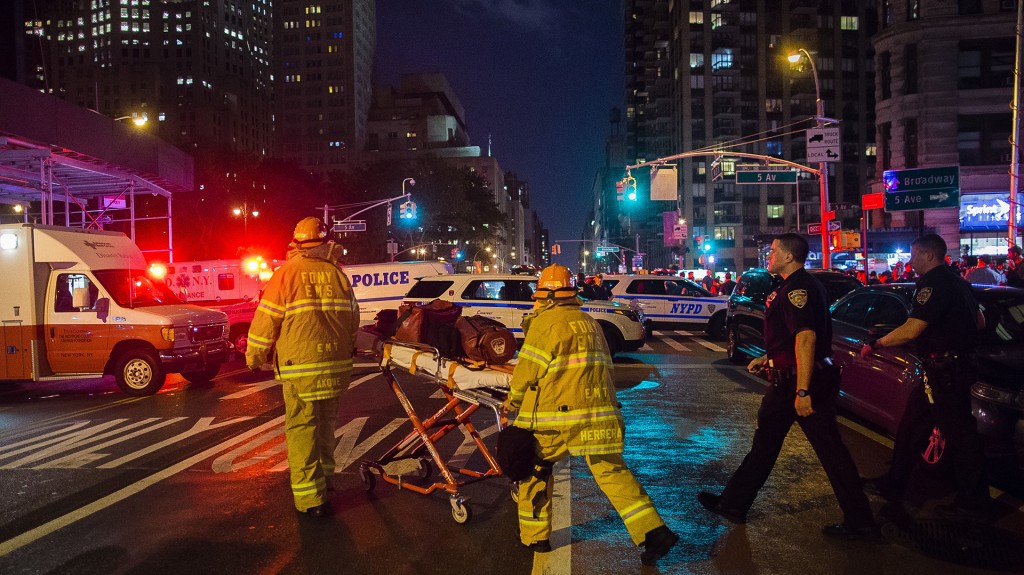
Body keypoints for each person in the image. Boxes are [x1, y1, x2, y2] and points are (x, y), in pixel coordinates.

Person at [697, 233, 878, 541]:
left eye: (774, 251)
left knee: (829, 452)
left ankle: (861, 523)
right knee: (767, 445)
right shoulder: (793, 286)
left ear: (789, 257)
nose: (769, 255)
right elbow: (791, 337)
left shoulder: (799, 289)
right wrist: (770, 357)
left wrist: (803, 391)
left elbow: (806, 338)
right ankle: (733, 504)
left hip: (799, 382)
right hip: (790, 377)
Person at [505, 264, 678, 566]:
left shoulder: (546, 325)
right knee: (613, 473)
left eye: (539, 296)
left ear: (545, 296)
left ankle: (536, 537)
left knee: (536, 469)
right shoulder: (590, 322)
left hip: (559, 419)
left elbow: (527, 372)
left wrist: (513, 401)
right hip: (601, 415)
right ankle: (654, 533)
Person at [860, 233, 990, 522]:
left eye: (914, 255)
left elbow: (912, 329)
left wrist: (878, 344)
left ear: (930, 256)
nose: (910, 260)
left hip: (947, 371)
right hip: (949, 368)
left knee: (960, 436)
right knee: (912, 426)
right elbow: (980, 322)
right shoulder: (960, 282)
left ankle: (975, 503)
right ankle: (894, 483)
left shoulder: (933, 284)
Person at [246, 217, 360, 518]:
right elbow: (353, 321)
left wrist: (254, 357)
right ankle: (326, 481)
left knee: (302, 429)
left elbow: (265, 320)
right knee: (325, 426)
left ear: (296, 243)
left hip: (300, 369)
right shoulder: (338, 275)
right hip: (335, 367)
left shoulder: (286, 275)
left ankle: (311, 499)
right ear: (326, 243)